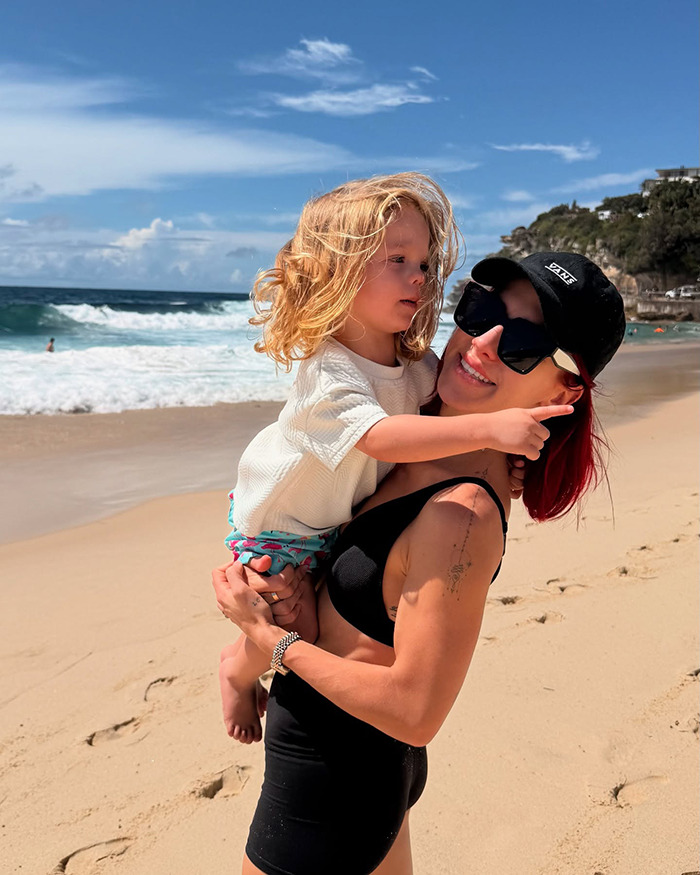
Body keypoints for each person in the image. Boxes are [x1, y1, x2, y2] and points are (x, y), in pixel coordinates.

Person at [212, 250, 626, 875]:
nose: (482, 343)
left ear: (565, 389)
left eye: (523, 342)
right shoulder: (409, 428)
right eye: (480, 310)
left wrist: (269, 642)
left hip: (332, 789)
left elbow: (416, 711)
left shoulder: (459, 517)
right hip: (356, 775)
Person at [220, 174, 570, 743]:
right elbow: (381, 438)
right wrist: (493, 429)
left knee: (301, 625)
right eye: (397, 259)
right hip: (282, 526)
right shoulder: (328, 371)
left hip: (333, 519)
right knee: (279, 616)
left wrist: (507, 463)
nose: (419, 276)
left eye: (425, 263)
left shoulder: (414, 365)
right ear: (334, 273)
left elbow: (437, 423)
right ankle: (234, 676)